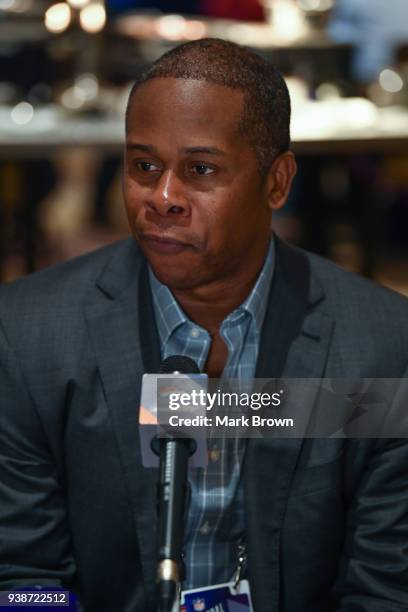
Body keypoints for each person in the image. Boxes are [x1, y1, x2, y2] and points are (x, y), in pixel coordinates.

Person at [0, 39, 407, 612]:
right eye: (144, 166)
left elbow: (386, 585)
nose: (162, 197)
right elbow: (23, 578)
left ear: (277, 182)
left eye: (200, 169)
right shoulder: (30, 338)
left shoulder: (382, 348)